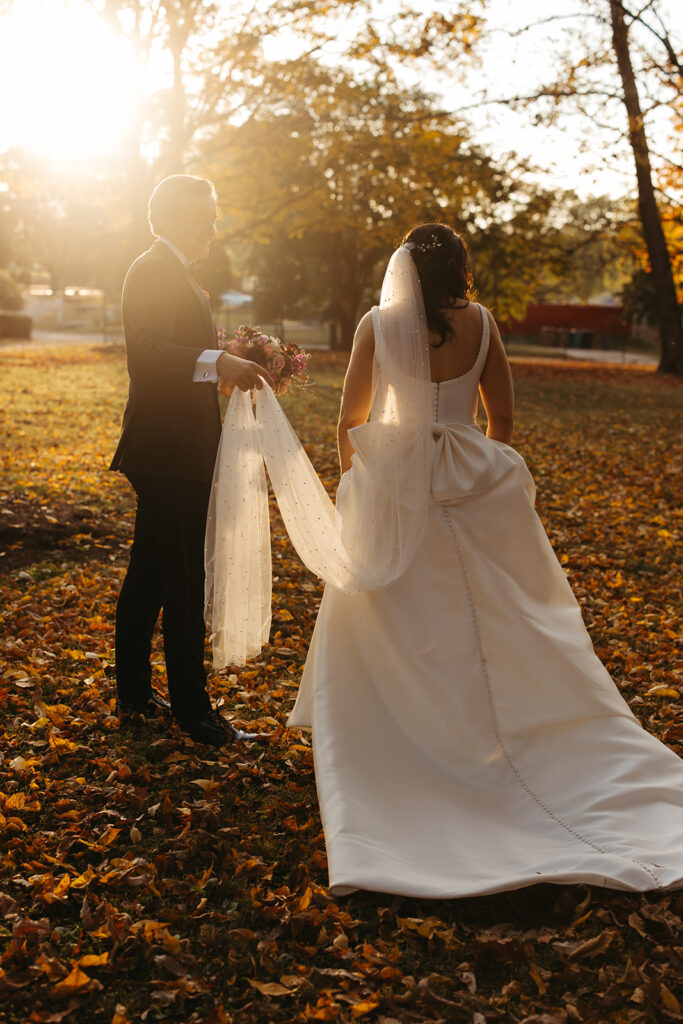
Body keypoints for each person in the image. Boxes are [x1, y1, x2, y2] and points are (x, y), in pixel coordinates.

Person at [206, 223, 683, 897]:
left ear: (404, 268)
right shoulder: (485, 324)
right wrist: (474, 465)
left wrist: (362, 486)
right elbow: (504, 420)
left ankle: (409, 734)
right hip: (473, 476)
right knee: (498, 614)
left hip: (397, 479)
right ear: (458, 269)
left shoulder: (377, 322)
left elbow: (351, 419)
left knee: (399, 611)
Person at [110, 174, 272, 748]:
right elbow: (148, 354)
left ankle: (132, 692)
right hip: (166, 450)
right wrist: (218, 363)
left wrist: (221, 367)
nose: (213, 225)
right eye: (206, 215)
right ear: (177, 217)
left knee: (151, 570)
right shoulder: (152, 269)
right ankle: (194, 713)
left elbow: (176, 357)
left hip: (175, 445)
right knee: (182, 578)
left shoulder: (176, 272)